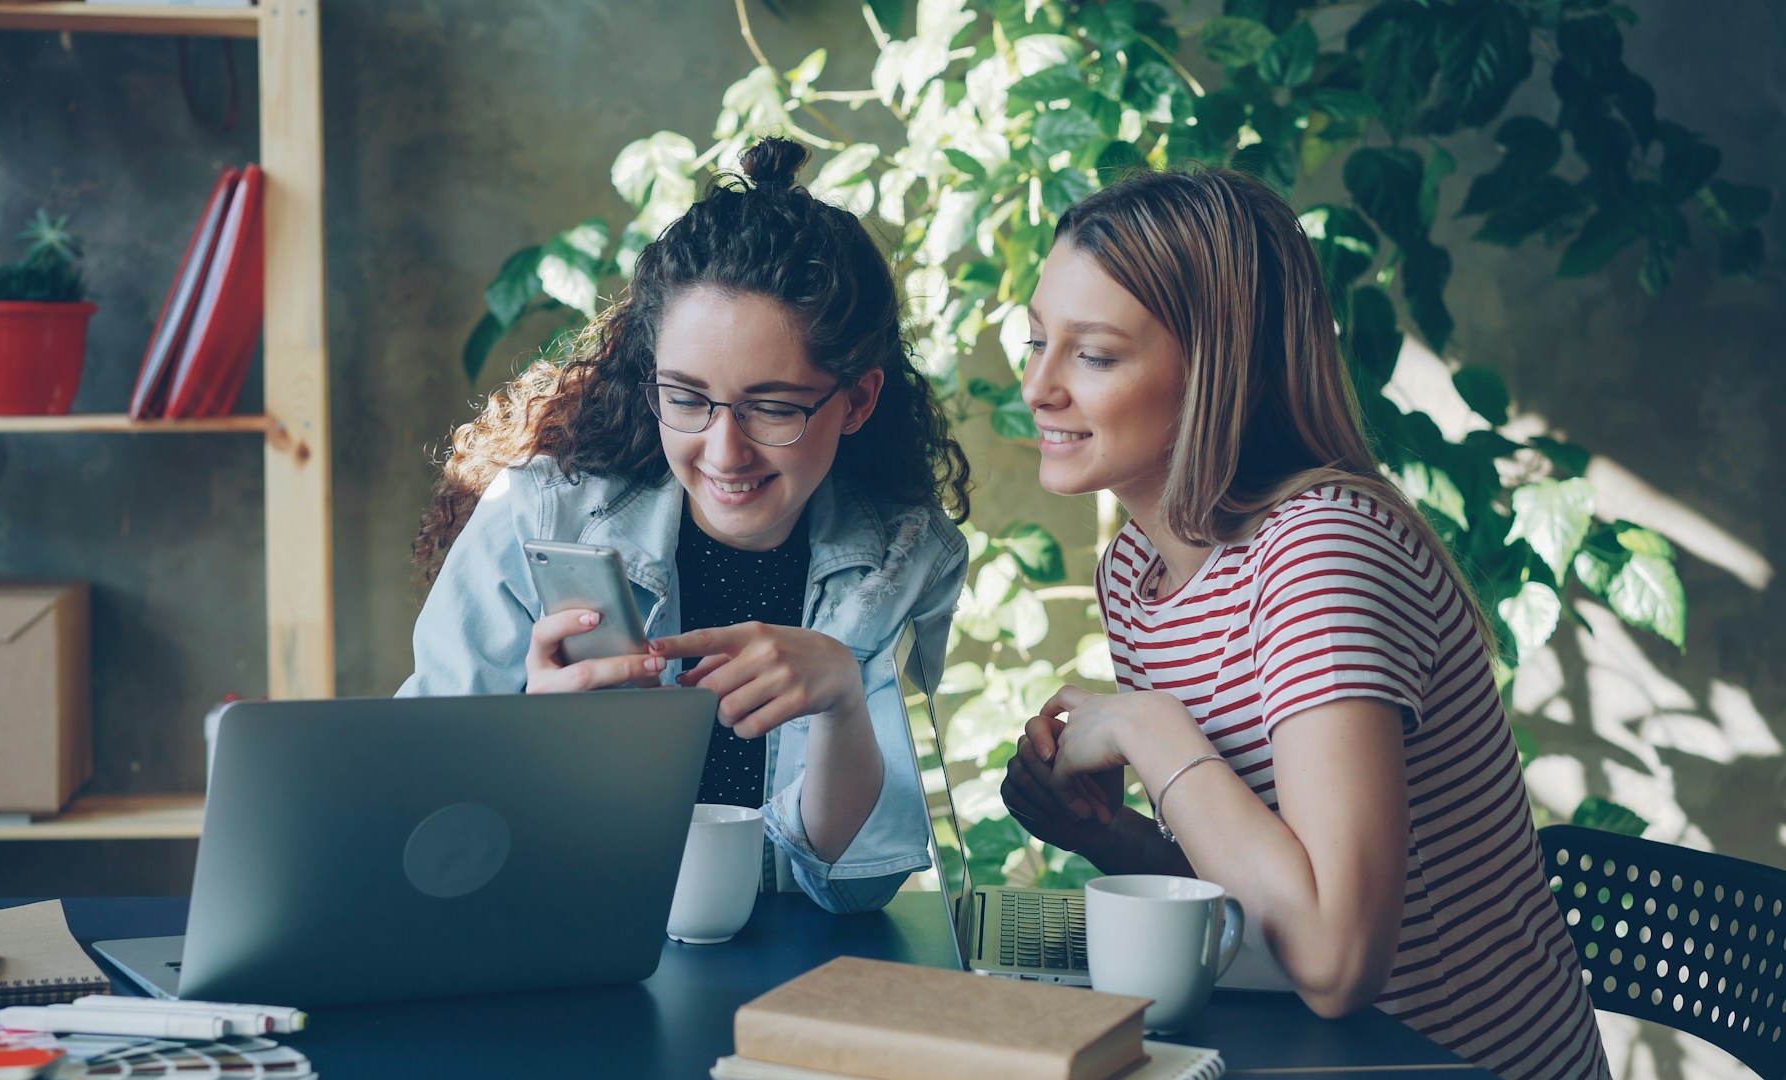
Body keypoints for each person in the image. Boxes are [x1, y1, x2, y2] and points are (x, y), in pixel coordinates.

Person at [998, 168, 1607, 1080]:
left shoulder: (1324, 552)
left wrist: (1147, 729)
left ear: (1216, 373)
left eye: (1093, 355)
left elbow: (1333, 960)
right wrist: (1105, 838)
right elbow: (1259, 899)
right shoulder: (1136, 570)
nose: (1037, 387)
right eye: (1038, 339)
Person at [401, 136, 972, 916]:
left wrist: (842, 699)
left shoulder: (903, 558)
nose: (723, 451)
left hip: (785, 974)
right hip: (561, 940)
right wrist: (530, 743)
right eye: (687, 398)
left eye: (772, 406)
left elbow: (857, 887)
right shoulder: (536, 513)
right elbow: (412, 818)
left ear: (859, 401)